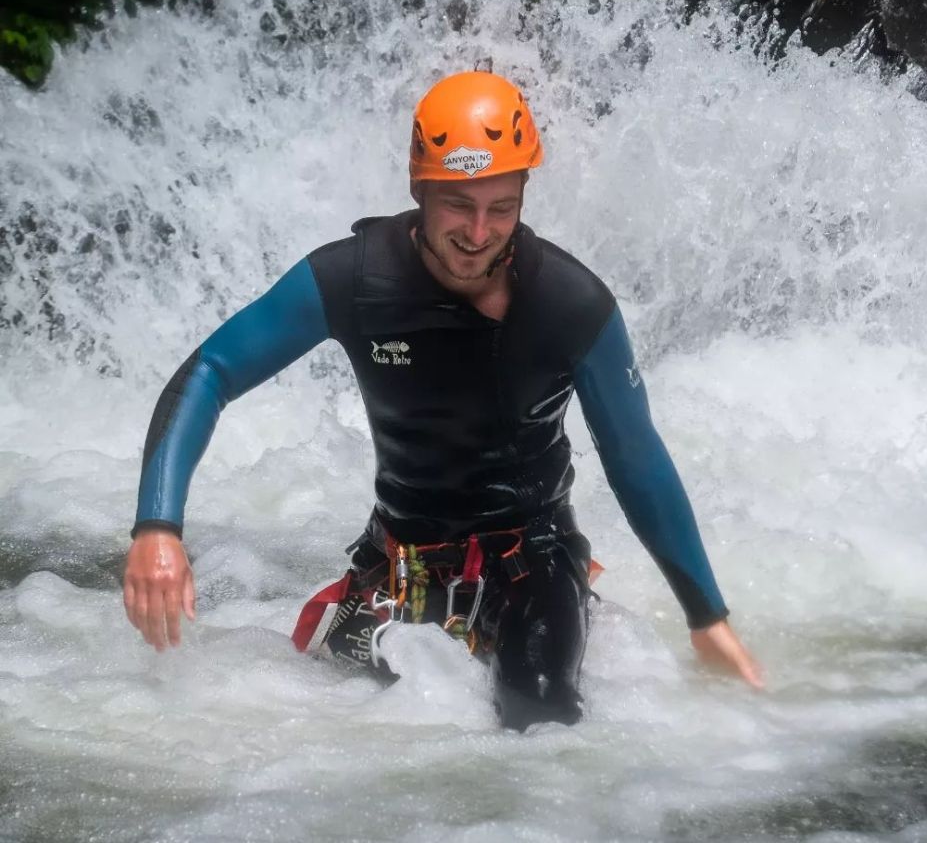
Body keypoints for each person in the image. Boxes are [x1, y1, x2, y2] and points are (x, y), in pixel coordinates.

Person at [123, 69, 762, 730]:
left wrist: (706, 616)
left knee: (540, 716)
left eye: (502, 208)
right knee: (290, 716)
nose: (479, 232)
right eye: (458, 203)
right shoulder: (352, 279)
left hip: (531, 564)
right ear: (418, 186)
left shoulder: (571, 305)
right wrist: (157, 528)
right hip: (402, 566)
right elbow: (211, 371)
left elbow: (635, 455)